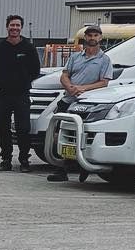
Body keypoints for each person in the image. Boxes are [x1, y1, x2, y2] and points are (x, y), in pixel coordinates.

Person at [47, 25, 113, 183]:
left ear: (100, 38)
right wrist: (70, 87)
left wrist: (83, 88)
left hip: (87, 103)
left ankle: (83, 167)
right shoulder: (75, 57)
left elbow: (104, 82)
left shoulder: (105, 60)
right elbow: (64, 75)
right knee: (59, 133)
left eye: (95, 35)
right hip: (68, 100)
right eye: (89, 35)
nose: (92, 38)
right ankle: (61, 168)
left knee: (81, 135)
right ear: (85, 37)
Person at [0, 15, 43, 172]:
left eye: (17, 25)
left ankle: (24, 159)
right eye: (12, 25)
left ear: (21, 28)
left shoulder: (28, 48)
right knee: (2, 127)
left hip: (21, 95)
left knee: (23, 128)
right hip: (2, 95)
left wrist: (24, 82)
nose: (14, 28)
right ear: (7, 27)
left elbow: (35, 70)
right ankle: (6, 159)